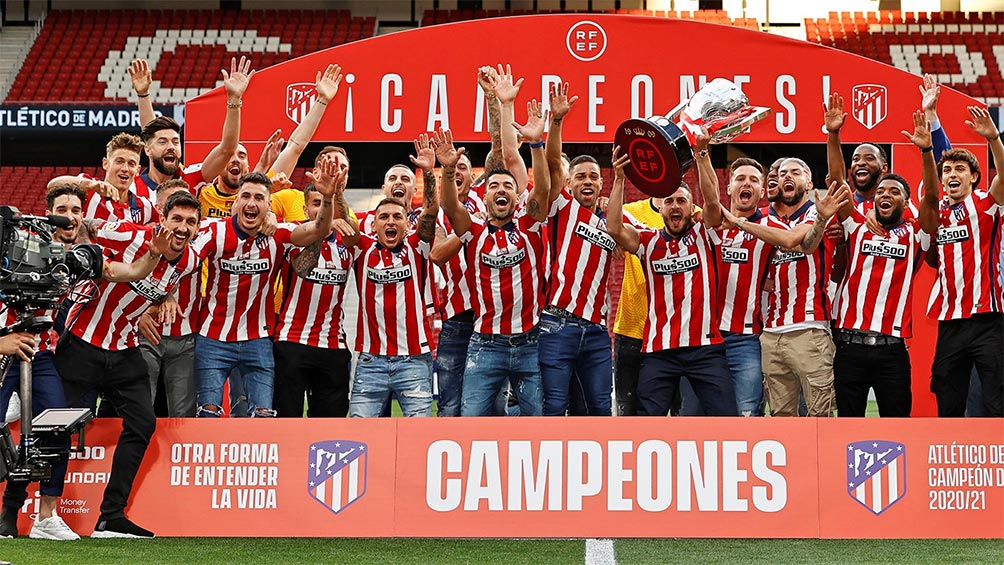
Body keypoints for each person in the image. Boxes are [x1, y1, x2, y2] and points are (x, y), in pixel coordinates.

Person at [56, 190, 198, 539]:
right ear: (162, 219)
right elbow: (87, 225)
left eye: (191, 222)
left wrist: (161, 301)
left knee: (143, 423)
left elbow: (160, 284)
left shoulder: (190, 261)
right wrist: (88, 262)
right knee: (56, 425)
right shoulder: (128, 233)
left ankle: (111, 516)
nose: (183, 227)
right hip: (83, 343)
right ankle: (17, 510)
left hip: (124, 348)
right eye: (176, 219)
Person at [189, 168, 343, 418]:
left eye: (259, 198)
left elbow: (317, 230)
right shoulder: (214, 232)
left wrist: (327, 199)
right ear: (236, 202)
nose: (251, 203)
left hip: (258, 340)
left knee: (263, 416)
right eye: (246, 196)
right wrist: (165, 296)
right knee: (208, 413)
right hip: (213, 339)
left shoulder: (279, 235)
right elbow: (185, 261)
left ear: (269, 205)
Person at [606, 133, 739, 416]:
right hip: (659, 349)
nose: (675, 205)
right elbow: (615, 228)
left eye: (681, 201)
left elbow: (713, 202)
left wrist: (702, 155)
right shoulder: (647, 241)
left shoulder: (705, 234)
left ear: (692, 208)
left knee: (727, 418)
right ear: (661, 208)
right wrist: (618, 179)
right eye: (669, 201)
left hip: (704, 348)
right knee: (646, 421)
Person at [436, 120, 551, 416]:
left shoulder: (530, 225)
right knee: (471, 420)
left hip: (530, 341)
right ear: (484, 196)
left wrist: (536, 145)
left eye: (508, 186)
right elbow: (450, 206)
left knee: (538, 424)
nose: (501, 190)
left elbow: (543, 190)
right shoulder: (472, 230)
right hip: (485, 345)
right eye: (494, 186)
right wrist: (448, 170)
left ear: (517, 196)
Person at [724, 158, 849, 417]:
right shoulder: (767, 221)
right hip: (771, 333)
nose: (787, 177)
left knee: (820, 415)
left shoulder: (819, 212)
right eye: (782, 174)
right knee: (781, 419)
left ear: (809, 182)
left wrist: (739, 222)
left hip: (809, 329)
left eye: (795, 172)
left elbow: (803, 244)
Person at [340, 136, 439, 417]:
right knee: (362, 435)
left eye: (397, 217)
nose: (391, 221)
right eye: (384, 217)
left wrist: (429, 173)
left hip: (414, 357)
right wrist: (335, 191)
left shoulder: (418, 242)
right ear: (373, 223)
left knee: (419, 435)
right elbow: (342, 219)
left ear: (408, 224)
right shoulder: (362, 244)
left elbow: (431, 212)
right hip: (371, 360)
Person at [916, 106, 1004, 417]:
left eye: (960, 169)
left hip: (988, 319)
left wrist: (993, 139)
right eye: (948, 170)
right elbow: (927, 197)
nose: (952, 174)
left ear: (974, 177)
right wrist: (929, 131)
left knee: (996, 399)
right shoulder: (935, 211)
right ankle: (949, 448)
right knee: (947, 396)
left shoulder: (987, 204)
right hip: (950, 321)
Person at [831, 170, 929, 417]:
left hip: (891, 350)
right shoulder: (857, 226)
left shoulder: (915, 235)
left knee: (896, 426)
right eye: (881, 191)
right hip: (849, 346)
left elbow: (932, 198)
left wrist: (927, 152)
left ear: (906, 204)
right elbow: (839, 181)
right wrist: (834, 141)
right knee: (847, 425)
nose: (886, 195)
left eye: (894, 192)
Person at [273, 162, 353, 418]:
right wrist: (323, 225)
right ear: (305, 209)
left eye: (324, 202)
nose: (321, 209)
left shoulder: (349, 240)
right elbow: (302, 268)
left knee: (331, 426)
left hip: (333, 345)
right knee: (287, 422)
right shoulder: (291, 234)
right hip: (292, 341)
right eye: (316, 203)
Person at [710, 158, 786, 416]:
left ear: (762, 191)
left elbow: (796, 241)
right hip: (703, 338)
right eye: (740, 178)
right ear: (729, 187)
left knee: (746, 414)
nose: (747, 184)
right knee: (694, 418)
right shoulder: (708, 222)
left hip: (745, 338)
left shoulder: (770, 226)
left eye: (754, 180)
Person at [128, 56, 253, 201]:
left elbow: (227, 149)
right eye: (163, 142)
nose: (171, 147)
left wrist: (234, 99)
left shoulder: (191, 177)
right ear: (148, 149)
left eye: (175, 142)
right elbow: (151, 133)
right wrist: (143, 95)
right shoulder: (132, 187)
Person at [136, 179, 201, 417]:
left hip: (185, 337)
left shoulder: (198, 246)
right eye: (175, 213)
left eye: (190, 219)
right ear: (161, 213)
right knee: (140, 407)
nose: (183, 225)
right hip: (145, 334)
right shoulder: (138, 240)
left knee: (182, 415)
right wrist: (138, 316)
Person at [46, 133, 156, 224]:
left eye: (131, 164)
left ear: (138, 170)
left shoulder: (145, 206)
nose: (125, 169)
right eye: (119, 161)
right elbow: (52, 185)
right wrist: (90, 185)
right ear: (105, 163)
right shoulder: (89, 190)